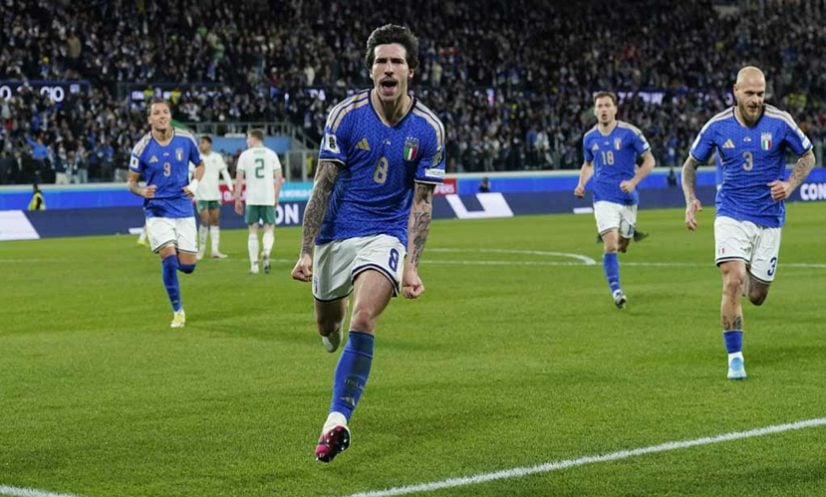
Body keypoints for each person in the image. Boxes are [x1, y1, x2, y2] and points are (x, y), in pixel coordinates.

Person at [291, 24, 444, 463]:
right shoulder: (345, 116)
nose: (388, 68)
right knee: (328, 327)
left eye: (396, 61)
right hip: (335, 233)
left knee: (364, 316)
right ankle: (331, 329)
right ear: (371, 70)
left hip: (386, 233)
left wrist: (411, 264)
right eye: (381, 61)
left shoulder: (429, 129)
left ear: (411, 70)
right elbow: (322, 185)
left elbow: (422, 203)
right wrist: (306, 250)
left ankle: (336, 421)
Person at [681, 66, 815, 380]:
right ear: (736, 91)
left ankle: (743, 281)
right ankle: (735, 359)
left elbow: (808, 156)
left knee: (756, 295)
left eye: (760, 94)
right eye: (750, 93)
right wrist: (690, 199)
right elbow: (690, 166)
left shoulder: (780, 122)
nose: (755, 100)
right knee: (732, 279)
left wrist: (790, 185)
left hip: (769, 218)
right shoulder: (717, 126)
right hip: (731, 214)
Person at [127, 98, 205, 328]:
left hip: (183, 207)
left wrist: (194, 185)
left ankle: (171, 260)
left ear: (170, 116)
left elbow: (200, 165)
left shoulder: (186, 139)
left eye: (165, 112)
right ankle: (178, 311)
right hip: (157, 210)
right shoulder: (141, 148)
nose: (161, 116)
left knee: (188, 266)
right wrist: (142, 191)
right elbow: (131, 183)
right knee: (169, 259)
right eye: (156, 113)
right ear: (149, 119)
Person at [575, 91, 656, 309]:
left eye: (607, 105)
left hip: (628, 198)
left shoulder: (630, 133)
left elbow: (650, 160)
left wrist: (634, 181)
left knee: (623, 244)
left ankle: (624, 242)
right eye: (599, 106)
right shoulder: (589, 138)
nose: (603, 109)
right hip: (603, 197)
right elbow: (588, 164)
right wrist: (581, 184)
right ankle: (617, 291)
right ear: (595, 111)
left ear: (615, 109)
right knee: (610, 244)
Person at [234, 129, 283, 274]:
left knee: (252, 229)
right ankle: (266, 251)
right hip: (267, 197)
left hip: (252, 198)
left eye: (248, 138)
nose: (247, 141)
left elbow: (239, 179)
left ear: (255, 138)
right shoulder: (271, 154)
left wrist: (237, 198)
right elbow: (279, 178)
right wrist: (276, 197)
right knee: (269, 227)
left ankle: (254, 266)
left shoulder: (245, 155)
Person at [192, 136, 233, 260]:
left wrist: (230, 187)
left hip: (215, 195)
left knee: (215, 220)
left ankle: (215, 251)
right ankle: (201, 250)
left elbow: (225, 173)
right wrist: (190, 188)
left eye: (203, 143)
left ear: (209, 144)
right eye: (200, 143)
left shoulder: (217, 157)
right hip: (201, 195)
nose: (200, 145)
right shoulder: (196, 157)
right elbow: (189, 173)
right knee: (204, 220)